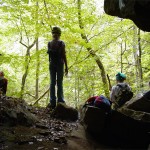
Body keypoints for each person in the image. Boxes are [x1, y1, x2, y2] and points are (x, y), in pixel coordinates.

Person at [47, 27, 68, 109]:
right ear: (59, 34)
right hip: (60, 64)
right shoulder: (62, 43)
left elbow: (49, 56)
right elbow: (64, 55)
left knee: (52, 83)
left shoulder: (49, 43)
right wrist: (66, 66)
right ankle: (60, 101)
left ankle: (52, 102)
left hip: (52, 64)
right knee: (59, 83)